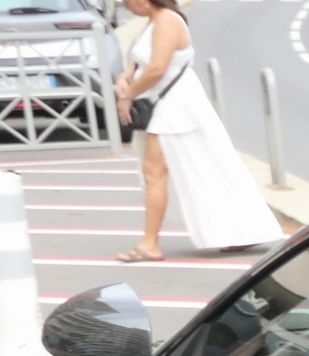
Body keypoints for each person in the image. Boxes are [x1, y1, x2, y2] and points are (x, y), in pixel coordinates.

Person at [111, 0, 279, 262]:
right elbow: (137, 65)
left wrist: (127, 96)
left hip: (174, 106)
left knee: (156, 172)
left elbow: (157, 68)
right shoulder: (154, 22)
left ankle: (150, 244)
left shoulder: (167, 19)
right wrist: (125, 78)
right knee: (204, 165)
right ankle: (238, 231)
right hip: (163, 105)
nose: (124, 5)